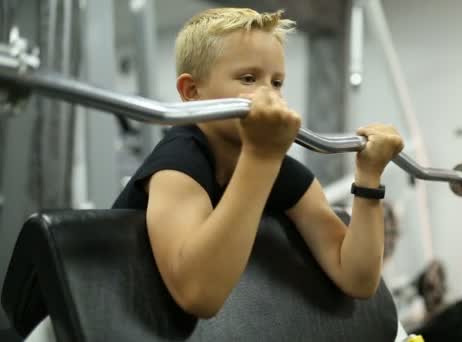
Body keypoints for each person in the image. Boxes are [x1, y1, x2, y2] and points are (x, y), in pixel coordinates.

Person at [112, 7, 404, 319]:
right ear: (192, 91)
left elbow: (356, 278)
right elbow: (199, 296)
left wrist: (369, 176)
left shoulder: (277, 171)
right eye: (249, 79)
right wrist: (261, 156)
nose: (271, 96)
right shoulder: (178, 162)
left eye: (277, 82)